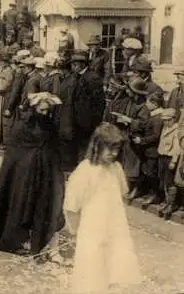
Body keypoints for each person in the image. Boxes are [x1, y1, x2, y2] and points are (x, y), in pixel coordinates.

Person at [0, 92, 65, 261]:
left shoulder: (49, 125)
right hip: (24, 175)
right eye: (42, 110)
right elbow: (15, 152)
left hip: (43, 174)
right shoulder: (23, 125)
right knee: (21, 205)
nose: (44, 114)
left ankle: (41, 242)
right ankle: (17, 240)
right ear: (34, 108)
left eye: (47, 111)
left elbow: (53, 149)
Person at [64, 123, 142, 294]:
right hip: (91, 227)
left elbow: (121, 193)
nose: (113, 154)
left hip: (113, 226)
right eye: (109, 148)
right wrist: (75, 228)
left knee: (112, 267)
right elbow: (72, 204)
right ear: (97, 145)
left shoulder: (116, 168)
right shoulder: (86, 169)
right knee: (91, 268)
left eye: (117, 149)